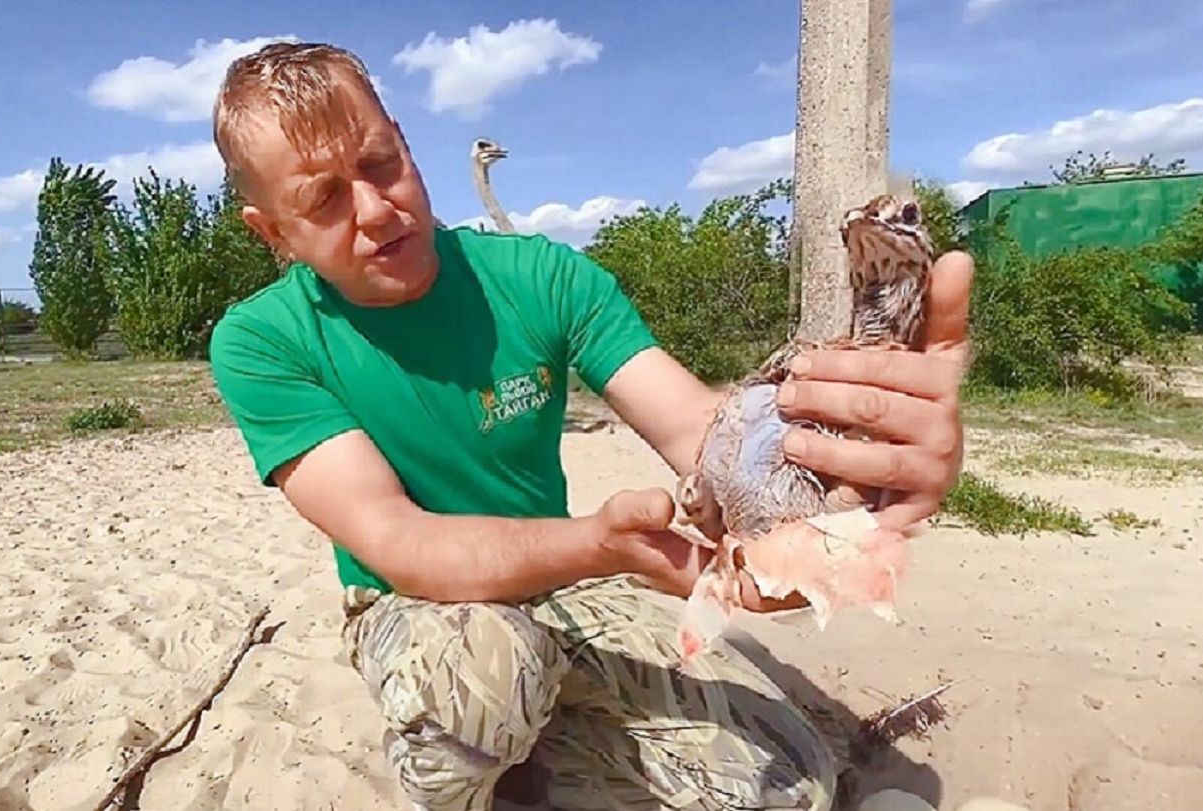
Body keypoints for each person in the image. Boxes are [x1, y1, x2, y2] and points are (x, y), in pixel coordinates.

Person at [206, 41, 971, 811]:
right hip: (414, 602)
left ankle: (537, 771)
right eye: (323, 200)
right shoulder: (263, 340)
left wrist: (847, 469)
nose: (374, 210)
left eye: (378, 163)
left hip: (566, 583)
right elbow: (398, 539)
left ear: (403, 140)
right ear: (269, 230)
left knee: (786, 783)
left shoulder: (541, 277)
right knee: (481, 680)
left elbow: (703, 431)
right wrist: (602, 545)